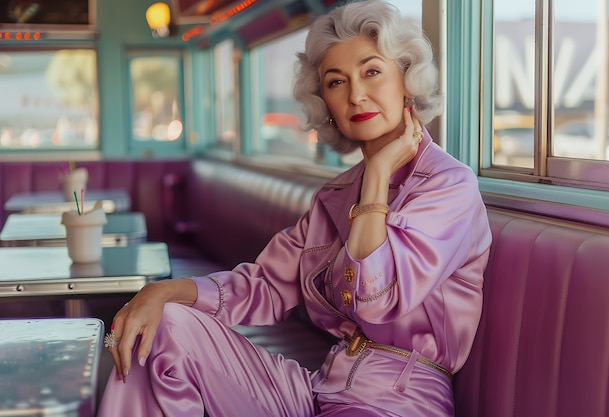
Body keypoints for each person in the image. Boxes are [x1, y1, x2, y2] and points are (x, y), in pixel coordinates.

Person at [97, 1, 492, 416]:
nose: (356, 94)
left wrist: (375, 177)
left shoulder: (449, 185)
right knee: (163, 328)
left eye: (372, 71)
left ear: (406, 80)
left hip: (399, 400)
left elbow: (375, 299)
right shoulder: (335, 197)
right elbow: (265, 285)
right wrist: (161, 291)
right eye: (336, 82)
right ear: (327, 104)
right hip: (320, 390)